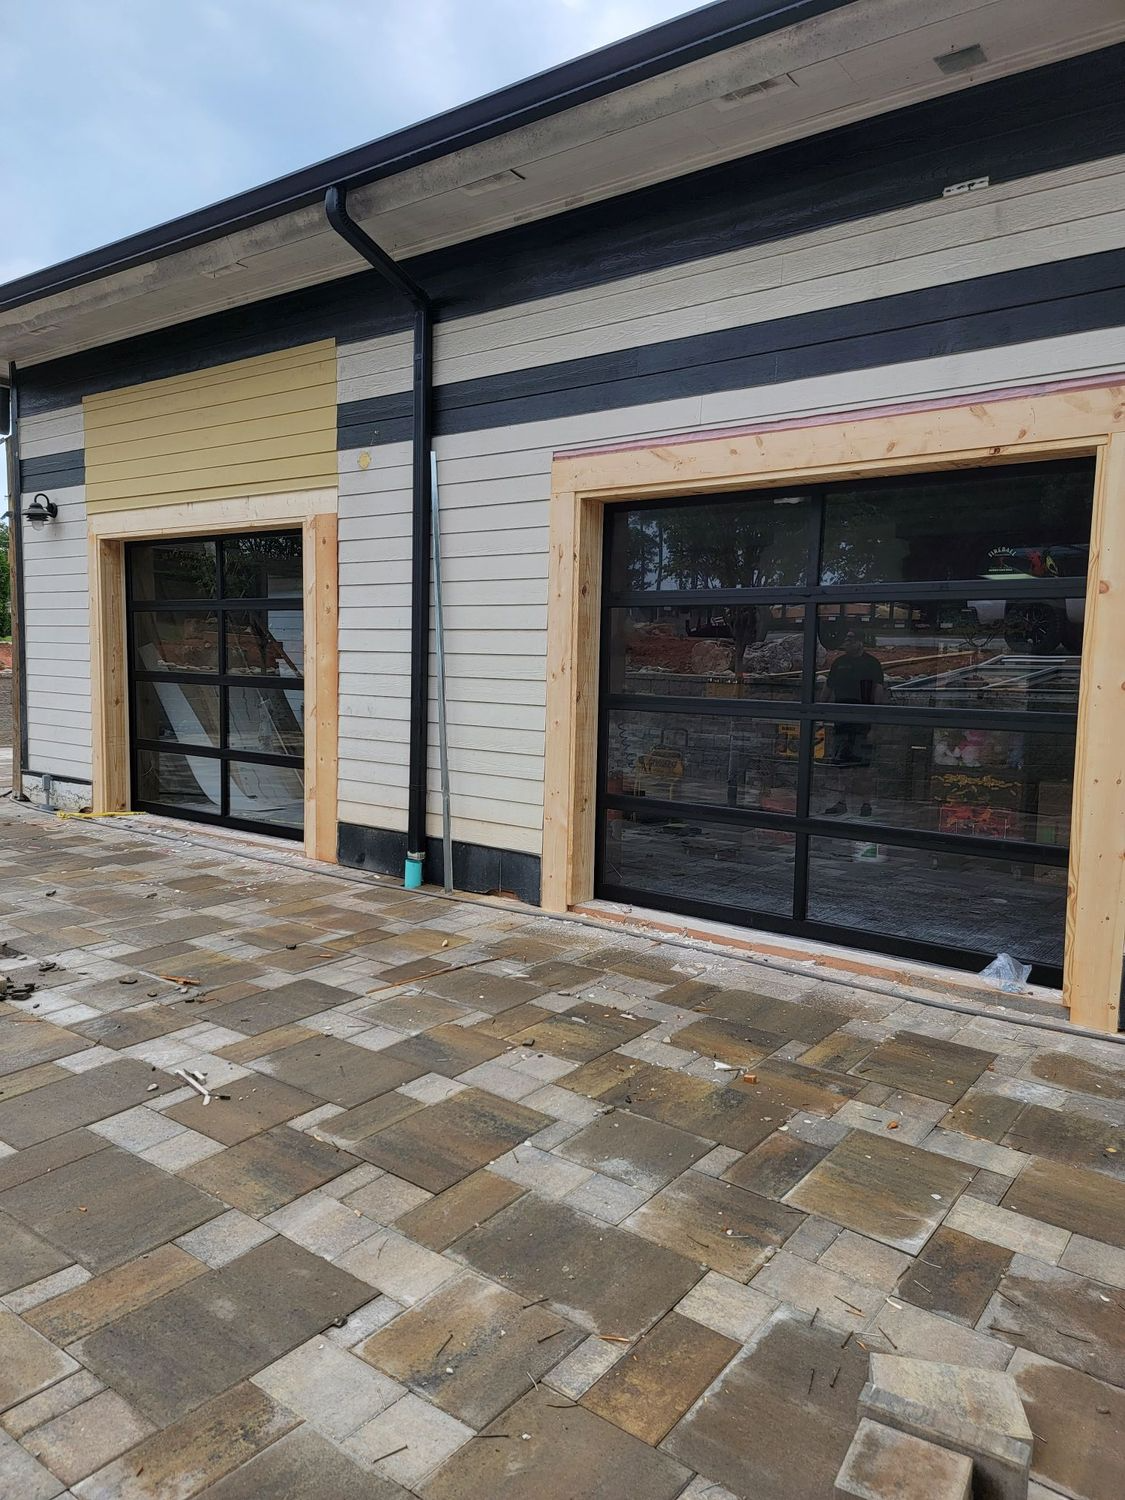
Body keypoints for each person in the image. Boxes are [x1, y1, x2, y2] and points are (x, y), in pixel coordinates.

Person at [820, 630, 885, 816]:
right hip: (842, 721)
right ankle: (841, 802)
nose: (846, 642)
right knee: (842, 765)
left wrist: (875, 724)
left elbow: (878, 693)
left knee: (864, 766)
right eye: (846, 638)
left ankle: (866, 804)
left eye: (851, 639)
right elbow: (827, 689)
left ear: (860, 642)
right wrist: (818, 713)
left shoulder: (871, 664)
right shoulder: (839, 663)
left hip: (863, 722)